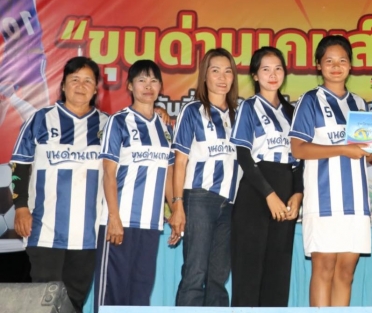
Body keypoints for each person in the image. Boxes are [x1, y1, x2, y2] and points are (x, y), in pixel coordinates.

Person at [10, 56, 108, 313]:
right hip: (44, 230)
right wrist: (21, 207)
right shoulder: (39, 120)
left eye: (87, 81)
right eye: (74, 80)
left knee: (73, 303)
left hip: (88, 235)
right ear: (63, 85)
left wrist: (160, 113)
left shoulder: (108, 126)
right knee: (44, 300)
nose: (80, 86)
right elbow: (20, 166)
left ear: (95, 89)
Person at [289, 35, 372, 307]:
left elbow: (367, 150)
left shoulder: (360, 104)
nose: (336, 66)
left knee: (346, 272)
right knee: (324, 267)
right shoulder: (310, 100)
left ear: (351, 65)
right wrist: (343, 149)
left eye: (342, 61)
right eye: (329, 61)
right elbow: (298, 149)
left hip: (355, 200)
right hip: (323, 199)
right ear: (318, 65)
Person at [0, 0, 105, 127]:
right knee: (41, 117)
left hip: (10, 62)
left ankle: (8, 96)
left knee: (3, 106)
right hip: (31, 59)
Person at [94, 59, 176, 313]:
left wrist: (175, 211)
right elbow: (109, 173)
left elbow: (169, 173)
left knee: (140, 295)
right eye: (141, 80)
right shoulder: (119, 122)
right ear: (130, 86)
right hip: (120, 222)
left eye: (153, 81)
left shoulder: (165, 126)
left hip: (151, 224)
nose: (148, 86)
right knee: (111, 296)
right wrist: (113, 218)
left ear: (160, 87)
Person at [230, 46, 304, 307]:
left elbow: (300, 159)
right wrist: (269, 195)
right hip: (256, 191)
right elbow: (243, 155)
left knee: (278, 273)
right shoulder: (248, 107)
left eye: (278, 68)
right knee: (248, 274)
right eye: (265, 69)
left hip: (286, 190)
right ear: (254, 75)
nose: (273, 75)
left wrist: (298, 194)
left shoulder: (292, 112)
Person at [170, 48, 240, 307]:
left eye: (228, 71)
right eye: (215, 71)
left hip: (230, 203)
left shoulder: (239, 114)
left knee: (218, 277)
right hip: (199, 198)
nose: (222, 77)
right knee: (195, 272)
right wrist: (177, 204)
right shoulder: (192, 111)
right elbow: (180, 161)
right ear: (204, 76)